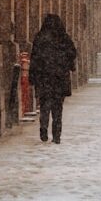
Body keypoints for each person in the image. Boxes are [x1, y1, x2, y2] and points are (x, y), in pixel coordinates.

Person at [29, 14, 76, 144]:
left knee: (44, 105)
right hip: (59, 79)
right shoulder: (63, 38)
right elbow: (72, 53)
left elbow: (34, 58)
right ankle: (56, 134)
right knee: (57, 108)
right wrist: (67, 64)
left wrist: (33, 76)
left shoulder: (40, 38)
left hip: (44, 78)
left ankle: (43, 128)